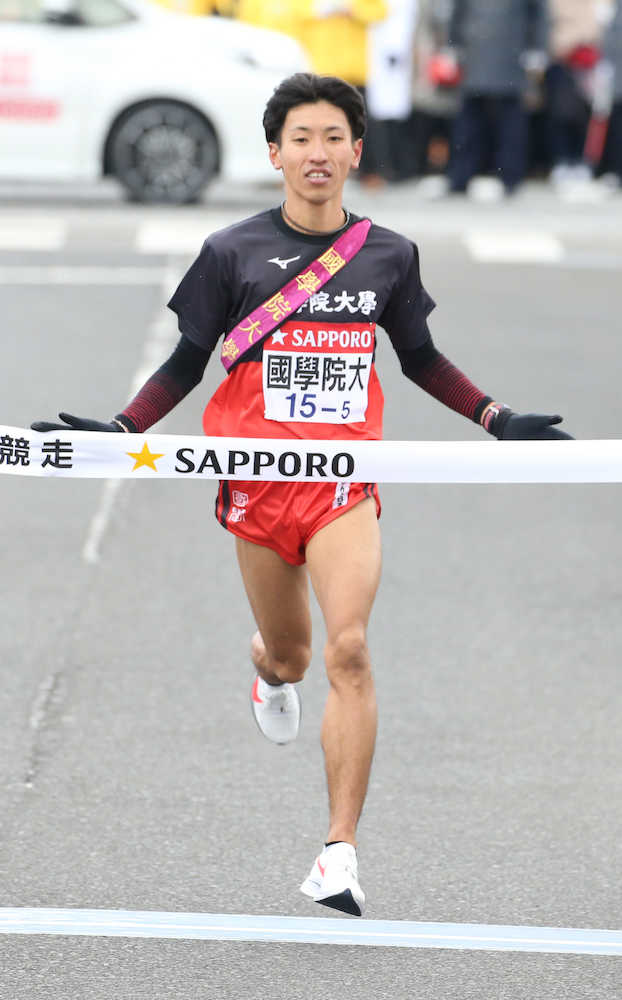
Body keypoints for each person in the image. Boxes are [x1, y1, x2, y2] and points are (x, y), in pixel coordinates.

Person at [32, 72, 572, 918]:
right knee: (292, 656)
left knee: (349, 649)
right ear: (276, 152)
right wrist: (121, 425)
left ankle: (339, 853)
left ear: (357, 150)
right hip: (256, 484)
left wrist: (498, 419)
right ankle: (267, 671)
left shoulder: (389, 254)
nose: (317, 154)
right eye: (301, 139)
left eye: (333, 138)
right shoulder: (230, 253)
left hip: (341, 486)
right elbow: (187, 363)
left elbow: (420, 358)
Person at [446, 0, 548, 197]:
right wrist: (453, 44)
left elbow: (538, 13)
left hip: (510, 53)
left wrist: (537, 48)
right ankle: (461, 177)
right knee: (469, 124)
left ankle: (509, 178)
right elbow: (458, 10)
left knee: (509, 124)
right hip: (476, 53)